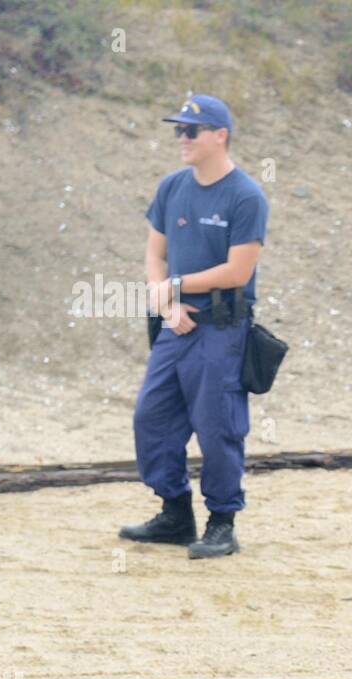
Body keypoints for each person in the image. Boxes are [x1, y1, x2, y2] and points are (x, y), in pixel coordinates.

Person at [119, 93, 269, 559]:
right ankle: (175, 513)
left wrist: (176, 288)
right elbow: (154, 254)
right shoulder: (171, 187)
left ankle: (222, 523)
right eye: (177, 130)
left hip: (222, 329)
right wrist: (166, 302)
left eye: (190, 130)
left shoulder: (246, 195)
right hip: (174, 324)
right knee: (152, 416)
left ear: (219, 136)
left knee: (217, 424)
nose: (181, 138)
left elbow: (237, 271)